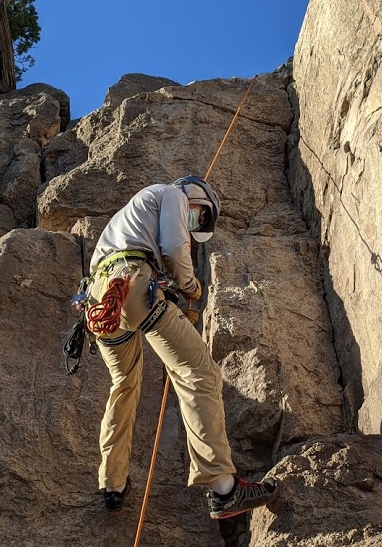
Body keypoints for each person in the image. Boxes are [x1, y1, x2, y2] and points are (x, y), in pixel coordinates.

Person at [85, 175, 278, 520]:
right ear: (196, 193)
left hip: (101, 302)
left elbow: (144, 254)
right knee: (198, 370)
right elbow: (175, 248)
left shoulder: (124, 220)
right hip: (131, 284)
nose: (194, 225)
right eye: (200, 216)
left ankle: (111, 483)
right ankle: (224, 488)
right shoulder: (171, 193)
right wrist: (191, 287)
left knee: (124, 385)